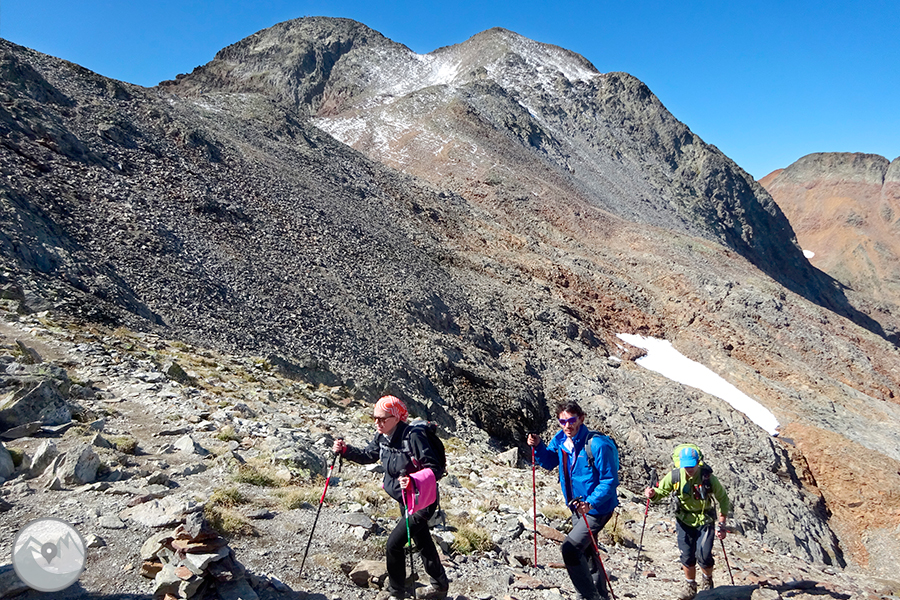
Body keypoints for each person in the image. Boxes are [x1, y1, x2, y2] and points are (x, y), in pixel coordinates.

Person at [333, 395, 449, 600]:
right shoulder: (382, 436)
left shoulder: (414, 437)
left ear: (396, 418)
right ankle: (440, 586)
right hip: (404, 499)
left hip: (422, 500)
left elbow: (435, 468)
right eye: (375, 418)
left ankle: (397, 593)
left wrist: (414, 480)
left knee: (393, 545)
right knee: (423, 541)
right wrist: (345, 450)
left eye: (382, 418)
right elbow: (368, 455)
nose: (377, 423)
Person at [527, 401, 619, 600]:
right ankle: (600, 595)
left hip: (598, 508)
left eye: (571, 420)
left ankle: (587, 596)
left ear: (581, 419)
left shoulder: (597, 444)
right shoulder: (561, 439)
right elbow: (549, 462)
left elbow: (610, 480)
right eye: (562, 421)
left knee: (570, 549)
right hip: (576, 506)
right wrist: (539, 446)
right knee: (586, 551)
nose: (567, 425)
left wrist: (590, 503)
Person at [644, 445, 730, 600]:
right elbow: (661, 492)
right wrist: (652, 494)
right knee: (687, 555)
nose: (689, 469)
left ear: (698, 463)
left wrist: (722, 524)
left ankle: (707, 581)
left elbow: (723, 498)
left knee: (704, 555)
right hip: (683, 520)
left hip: (705, 520)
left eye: (692, 465)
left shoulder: (708, 478)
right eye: (686, 466)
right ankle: (690, 586)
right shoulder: (675, 476)